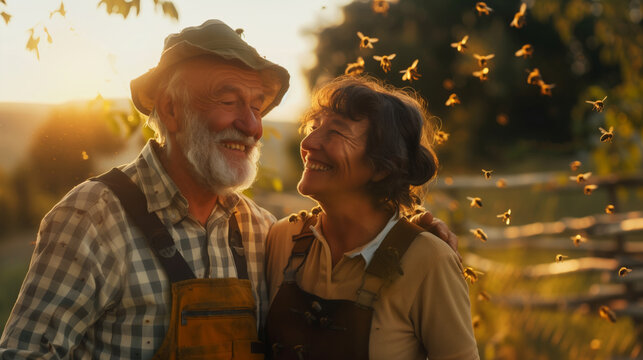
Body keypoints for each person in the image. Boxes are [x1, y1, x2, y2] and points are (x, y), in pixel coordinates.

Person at [0, 20, 457, 359]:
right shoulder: (91, 217)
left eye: (257, 106)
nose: (252, 125)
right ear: (172, 110)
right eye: (228, 101)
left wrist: (405, 234)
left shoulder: (262, 232)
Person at [265, 76, 479, 360]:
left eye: (336, 132)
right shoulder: (284, 239)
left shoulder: (429, 259)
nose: (308, 142)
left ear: (382, 167)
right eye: (314, 127)